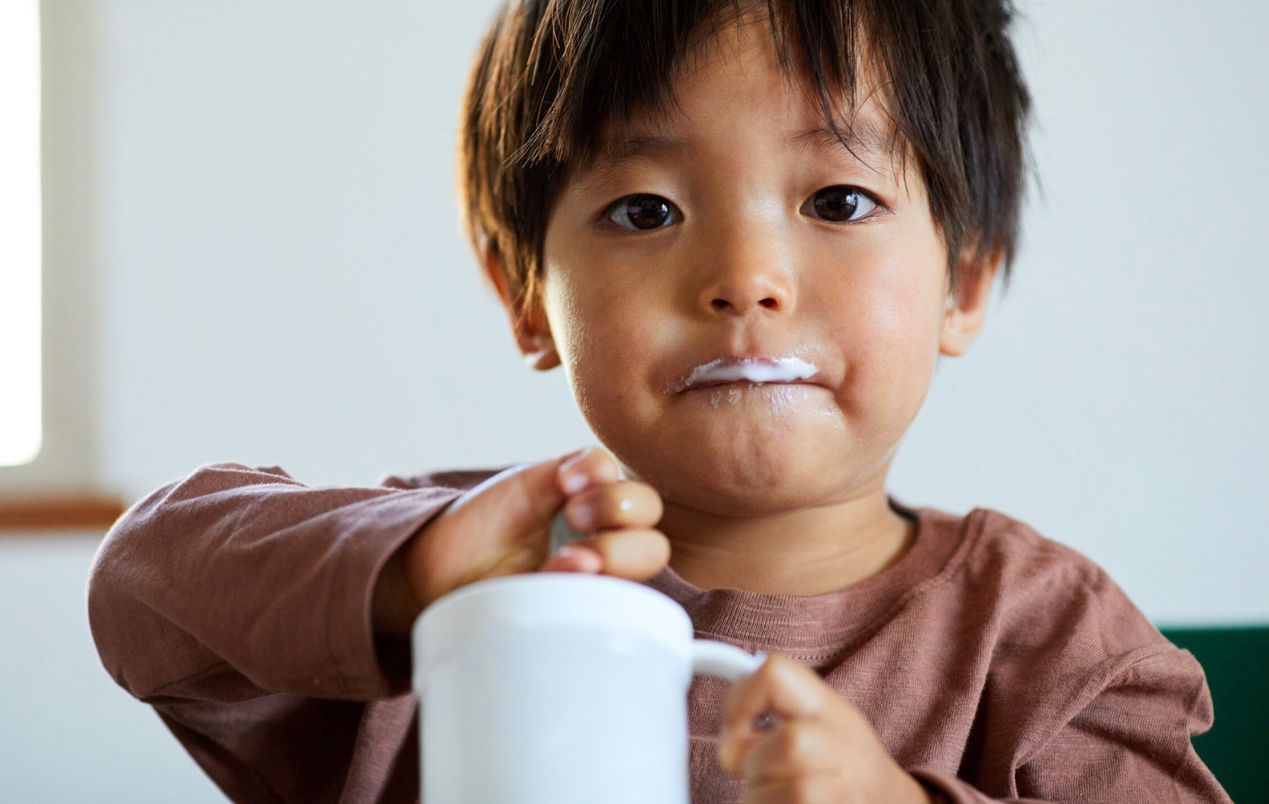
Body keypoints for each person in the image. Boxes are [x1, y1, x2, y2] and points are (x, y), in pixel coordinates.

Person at [88, 1, 1230, 802]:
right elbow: (147, 586)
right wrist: (413, 577)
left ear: (963, 285)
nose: (744, 277)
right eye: (644, 211)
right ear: (527, 297)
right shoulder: (457, 579)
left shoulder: (1046, 638)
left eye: (836, 197)